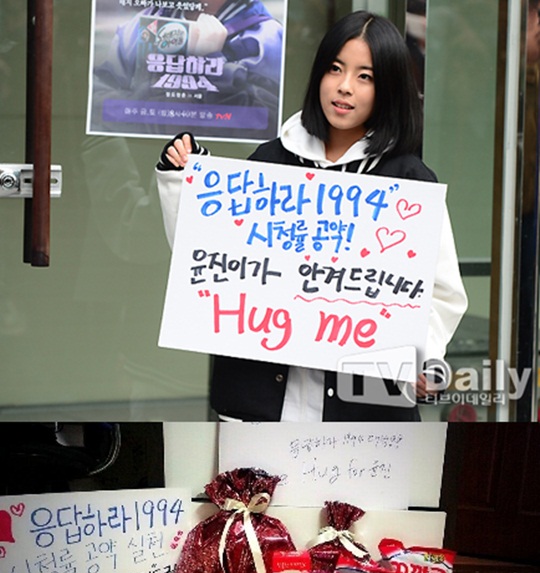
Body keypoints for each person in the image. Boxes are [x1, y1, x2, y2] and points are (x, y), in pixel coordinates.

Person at [155, 10, 468, 421]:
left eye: (365, 76)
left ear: (388, 88)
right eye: (335, 69)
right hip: (259, 408)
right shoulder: (271, 162)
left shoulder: (408, 181)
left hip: (363, 415)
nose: (344, 86)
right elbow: (210, 262)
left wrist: (419, 355)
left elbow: (441, 293)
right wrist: (183, 179)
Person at [89, 0, 284, 140]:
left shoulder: (264, 38)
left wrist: (211, 65)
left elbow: (263, 128)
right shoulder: (139, 26)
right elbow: (100, 107)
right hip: (141, 166)